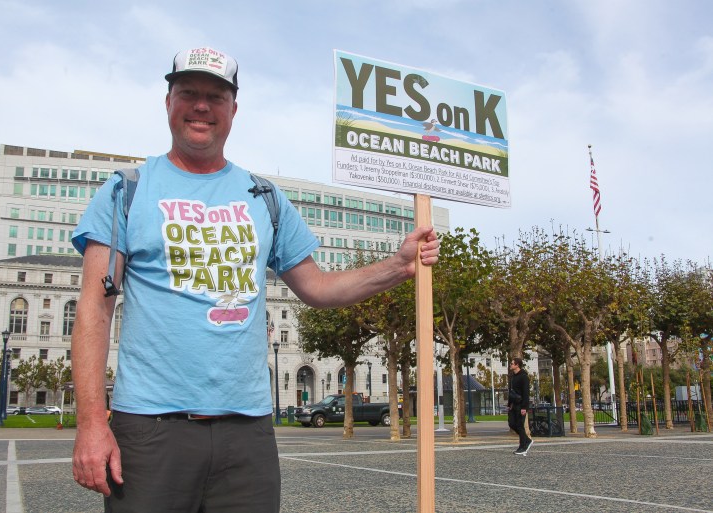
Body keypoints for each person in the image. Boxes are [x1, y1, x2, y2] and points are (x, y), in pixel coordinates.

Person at [70, 46, 440, 512]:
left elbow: (317, 288)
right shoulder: (127, 190)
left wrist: (398, 266)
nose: (201, 106)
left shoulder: (264, 197)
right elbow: (93, 309)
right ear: (168, 102)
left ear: (233, 110)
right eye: (189, 93)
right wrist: (90, 423)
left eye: (216, 97)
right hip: (151, 427)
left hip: (247, 432)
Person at [508, 357, 533, 455]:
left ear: (517, 365)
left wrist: (524, 407)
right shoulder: (512, 377)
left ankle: (523, 446)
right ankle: (527, 440)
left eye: (512, 363)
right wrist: (509, 404)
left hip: (520, 404)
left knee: (520, 425)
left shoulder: (524, 377)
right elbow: (511, 392)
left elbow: (526, 393)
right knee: (512, 424)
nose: (510, 365)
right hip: (513, 404)